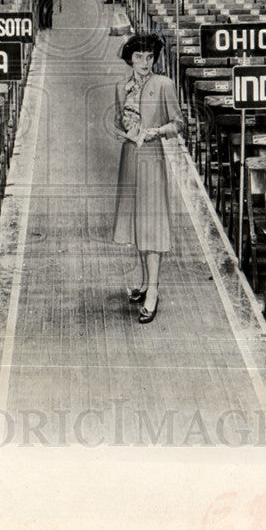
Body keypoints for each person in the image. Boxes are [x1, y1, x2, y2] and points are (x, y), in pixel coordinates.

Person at [111, 33, 183, 324]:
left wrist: (155, 132)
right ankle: (145, 281)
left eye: (149, 57)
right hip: (130, 158)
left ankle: (153, 290)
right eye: (139, 57)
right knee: (138, 223)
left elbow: (178, 124)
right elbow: (120, 121)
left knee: (152, 224)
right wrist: (120, 131)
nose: (144, 62)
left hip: (152, 158)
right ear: (130, 58)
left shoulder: (164, 84)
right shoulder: (121, 86)